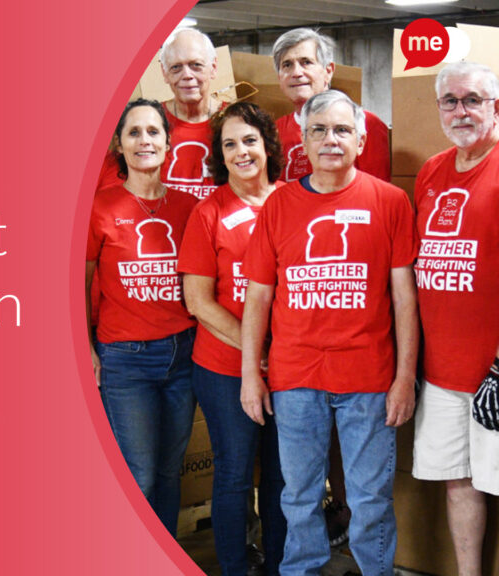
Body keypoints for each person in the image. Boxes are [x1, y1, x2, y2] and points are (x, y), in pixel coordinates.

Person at [239, 90, 418, 576]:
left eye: (342, 130)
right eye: (319, 130)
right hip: (295, 379)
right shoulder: (278, 207)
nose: (330, 140)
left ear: (360, 140)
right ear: (303, 139)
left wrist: (404, 378)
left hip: (368, 379)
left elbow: (405, 298)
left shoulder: (391, 202)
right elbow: (258, 297)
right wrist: (250, 376)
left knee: (370, 499)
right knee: (297, 498)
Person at [178, 101, 286, 576]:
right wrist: (257, 353)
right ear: (219, 157)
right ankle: (236, 568)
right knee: (235, 476)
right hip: (224, 369)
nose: (240, 152)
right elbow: (199, 302)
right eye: (228, 144)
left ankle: (285, 565)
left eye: (249, 140)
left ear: (267, 146)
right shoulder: (209, 212)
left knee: (286, 480)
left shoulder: (294, 201)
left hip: (291, 369)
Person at [86, 98, 199, 535]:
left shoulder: (189, 206)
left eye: (154, 132)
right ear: (119, 144)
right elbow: (77, 283)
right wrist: (85, 347)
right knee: (140, 475)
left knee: (171, 473)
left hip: (184, 356)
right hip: (124, 359)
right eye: (134, 132)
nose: (144, 140)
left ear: (168, 144)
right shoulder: (99, 207)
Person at [412, 61, 499, 576]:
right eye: (451, 100)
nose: (461, 110)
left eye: (473, 99)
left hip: (494, 373)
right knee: (458, 481)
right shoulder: (431, 171)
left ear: (496, 106)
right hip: (443, 373)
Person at [272, 28, 390, 183]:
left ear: (328, 71)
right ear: (279, 77)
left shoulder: (366, 123)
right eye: (287, 65)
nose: (296, 73)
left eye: (306, 62)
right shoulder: (274, 131)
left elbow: (376, 193)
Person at [158, 27, 221, 200]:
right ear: (164, 73)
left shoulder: (235, 122)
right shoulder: (150, 123)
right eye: (176, 67)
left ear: (213, 68)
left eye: (196, 65)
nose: (187, 75)